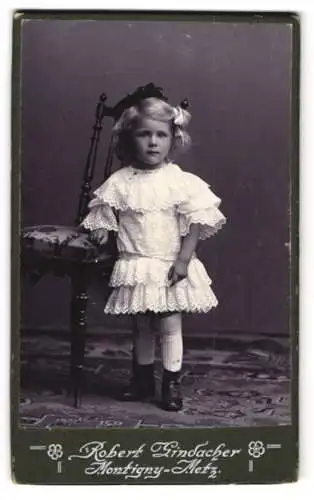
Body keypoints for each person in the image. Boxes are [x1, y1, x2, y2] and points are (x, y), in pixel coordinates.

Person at [81, 84, 226, 411]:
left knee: (169, 322)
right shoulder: (121, 180)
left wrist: (183, 260)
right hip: (136, 262)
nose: (152, 142)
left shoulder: (180, 180)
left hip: (168, 263)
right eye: (144, 134)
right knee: (141, 323)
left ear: (172, 140)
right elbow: (103, 210)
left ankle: (171, 383)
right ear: (129, 139)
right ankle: (142, 378)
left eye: (160, 135)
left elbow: (195, 222)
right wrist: (103, 230)